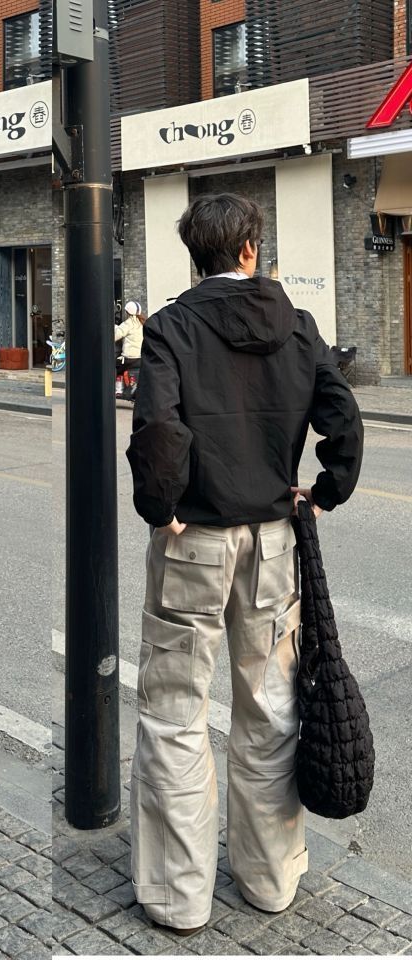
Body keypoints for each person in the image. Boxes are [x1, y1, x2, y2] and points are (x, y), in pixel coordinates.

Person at [126, 193, 363, 934]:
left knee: (175, 713)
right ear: (251, 249)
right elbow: (343, 418)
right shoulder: (297, 324)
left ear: (196, 255)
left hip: (193, 538)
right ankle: (269, 878)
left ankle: (179, 896)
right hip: (272, 540)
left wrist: (162, 506)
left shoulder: (170, 327)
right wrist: (327, 488)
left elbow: (158, 428)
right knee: (269, 711)